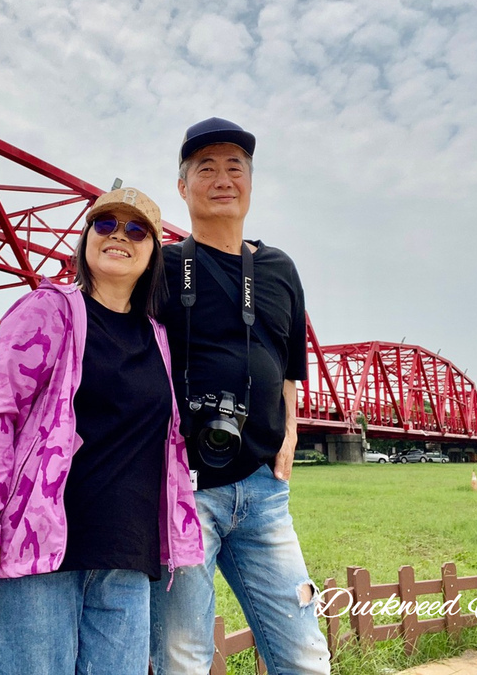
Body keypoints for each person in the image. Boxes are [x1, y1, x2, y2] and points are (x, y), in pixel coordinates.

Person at [0, 187, 204, 675]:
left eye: (136, 229)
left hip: (126, 561)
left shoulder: (161, 338)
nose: (119, 236)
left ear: (152, 253)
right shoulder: (47, 311)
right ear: (86, 238)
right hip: (38, 561)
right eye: (105, 224)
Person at [149, 118, 330, 674]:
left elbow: (288, 367)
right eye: (205, 168)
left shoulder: (278, 269)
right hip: (182, 491)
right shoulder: (160, 265)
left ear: (251, 182)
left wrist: (291, 427)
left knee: (304, 655)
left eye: (236, 167)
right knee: (183, 658)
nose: (223, 178)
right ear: (183, 187)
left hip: (264, 495)